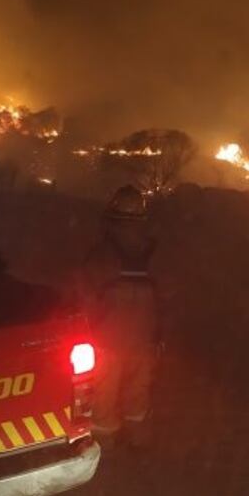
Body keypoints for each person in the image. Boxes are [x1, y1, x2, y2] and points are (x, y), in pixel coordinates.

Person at [76, 185, 163, 448]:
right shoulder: (154, 252)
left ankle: (107, 443)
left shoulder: (102, 253)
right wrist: (157, 333)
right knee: (138, 389)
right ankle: (137, 437)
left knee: (104, 392)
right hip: (144, 337)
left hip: (108, 337)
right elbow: (167, 294)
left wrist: (85, 328)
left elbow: (85, 294)